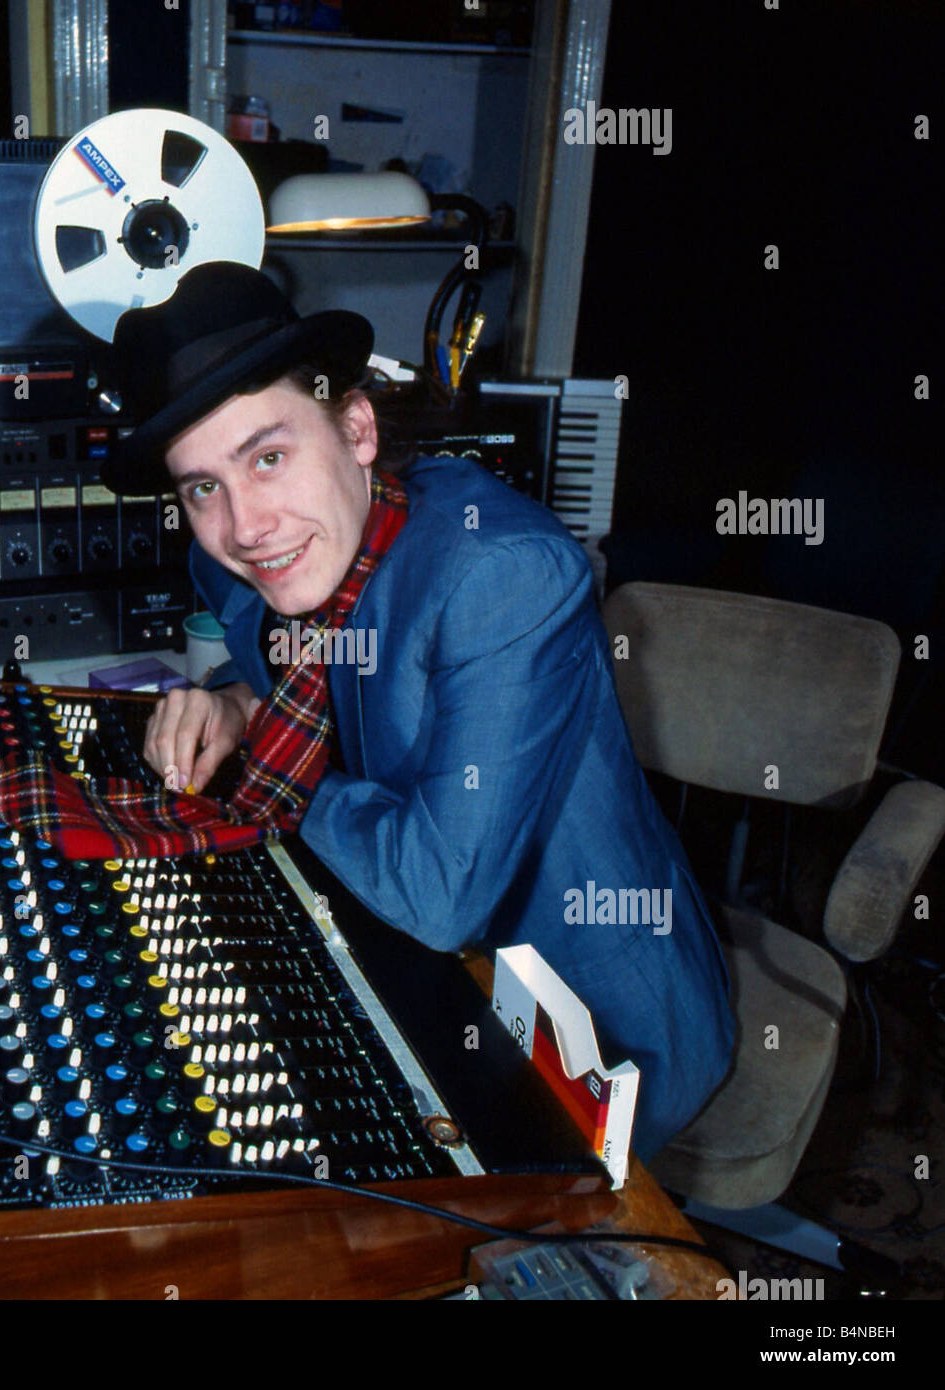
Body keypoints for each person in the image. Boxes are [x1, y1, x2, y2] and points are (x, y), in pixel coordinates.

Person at [101, 261, 735, 1162]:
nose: (244, 525)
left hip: (594, 1036)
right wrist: (240, 704)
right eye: (202, 486)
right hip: (409, 959)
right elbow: (295, 677)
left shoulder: (503, 577)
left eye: (268, 457)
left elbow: (439, 896)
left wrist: (265, 771)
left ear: (356, 428)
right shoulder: (242, 559)